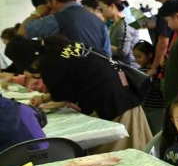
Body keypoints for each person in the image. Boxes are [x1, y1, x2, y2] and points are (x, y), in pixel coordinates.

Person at [23, 36, 152, 152]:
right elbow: (71, 87)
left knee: (121, 151)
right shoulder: (67, 48)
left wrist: (45, 99)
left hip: (114, 103)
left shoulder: (49, 62)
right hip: (125, 92)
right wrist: (43, 98)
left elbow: (61, 94)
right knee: (137, 142)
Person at [18, 0, 111, 56]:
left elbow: (20, 35)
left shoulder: (58, 19)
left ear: (53, 1)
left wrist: (37, 14)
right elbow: (107, 53)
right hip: (103, 74)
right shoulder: (97, 19)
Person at [140, 0, 172, 131]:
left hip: (167, 66)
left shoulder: (166, 9)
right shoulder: (177, 4)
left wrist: (153, 68)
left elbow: (163, 41)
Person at [98, 0, 139, 66]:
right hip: (120, 66)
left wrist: (104, 45)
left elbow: (123, 52)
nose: (101, 12)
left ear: (112, 6)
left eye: (101, 9)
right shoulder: (114, 24)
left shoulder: (124, 25)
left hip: (129, 68)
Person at [132, 40, 163, 135]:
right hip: (146, 107)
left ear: (149, 55)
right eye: (135, 57)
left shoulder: (156, 72)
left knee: (157, 133)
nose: (137, 60)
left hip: (158, 109)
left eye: (139, 57)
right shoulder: (140, 71)